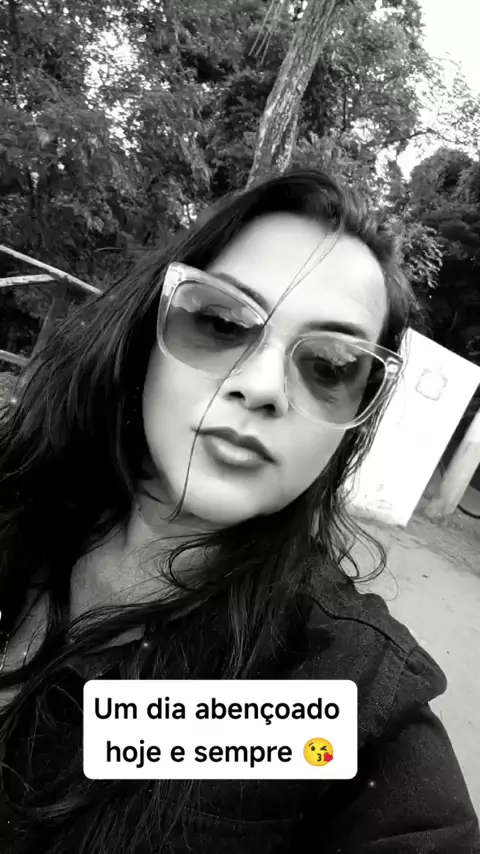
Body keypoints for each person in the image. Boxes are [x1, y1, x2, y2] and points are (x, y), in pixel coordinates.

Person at [0, 168, 478, 854]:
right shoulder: (19, 495)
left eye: (330, 365)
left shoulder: (332, 683)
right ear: (149, 326)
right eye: (222, 322)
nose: (261, 387)